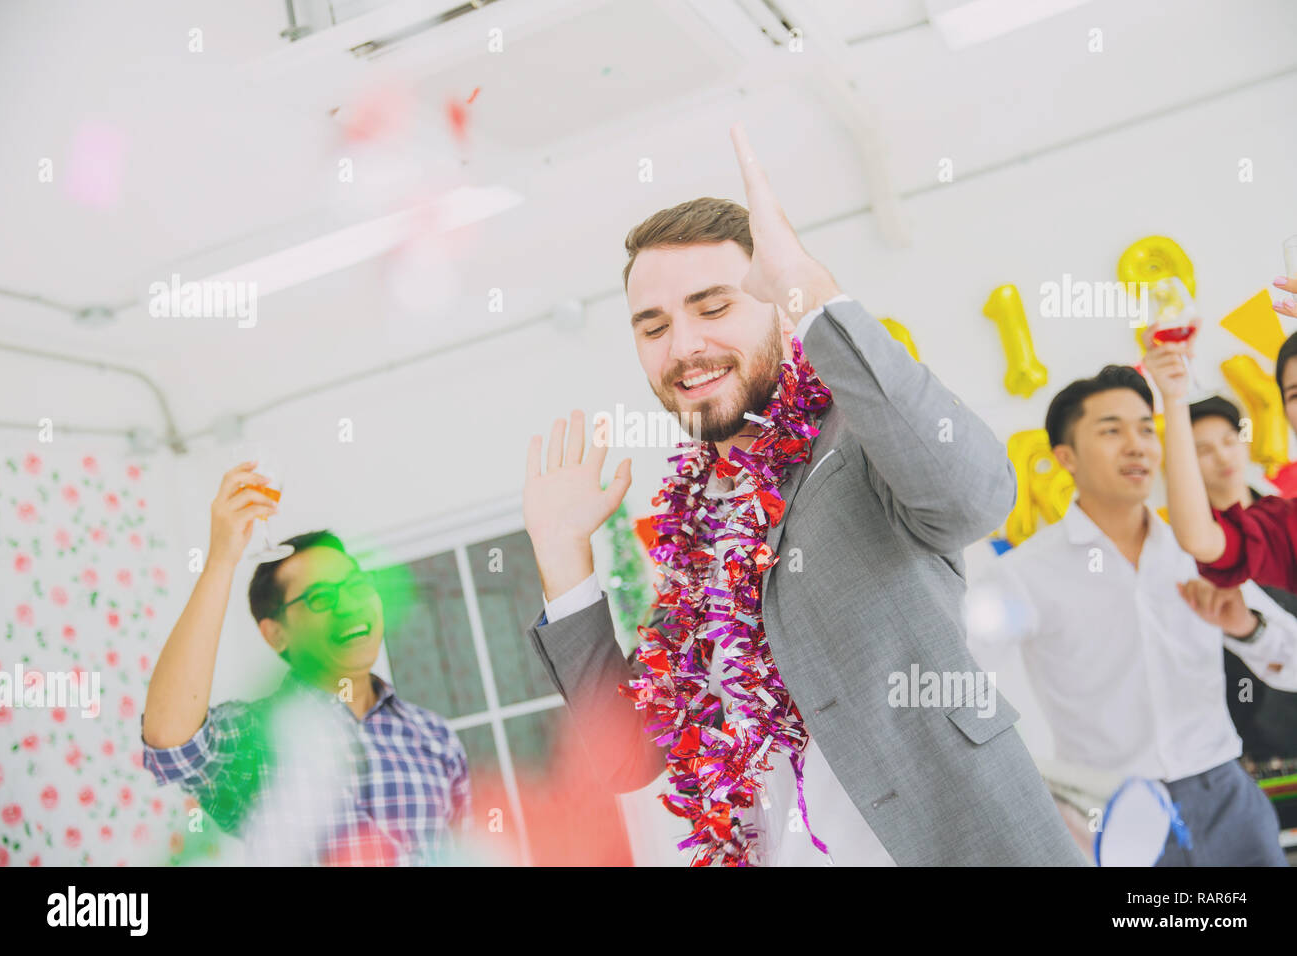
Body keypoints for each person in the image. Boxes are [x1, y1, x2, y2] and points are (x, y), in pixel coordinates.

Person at [520, 123, 1084, 866]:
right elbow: (632, 756)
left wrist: (815, 293)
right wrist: (565, 563)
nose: (683, 345)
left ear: (777, 308)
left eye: (713, 306)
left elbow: (975, 497)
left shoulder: (862, 437)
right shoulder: (692, 532)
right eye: (653, 326)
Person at [967, 366, 1296, 866]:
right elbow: (963, 685)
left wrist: (1245, 628)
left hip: (1228, 796)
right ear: (1065, 457)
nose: (1137, 445)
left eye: (1146, 428)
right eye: (1111, 430)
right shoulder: (1025, 575)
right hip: (1113, 815)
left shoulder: (1198, 550)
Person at [140, 462, 471, 865]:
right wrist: (221, 560)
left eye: (354, 585)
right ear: (275, 633)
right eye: (319, 599)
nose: (348, 607)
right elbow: (170, 740)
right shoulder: (254, 737)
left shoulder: (434, 738)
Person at [1158, 277, 1297, 591]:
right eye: (1295, 394)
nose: (1222, 455)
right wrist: (1174, 397)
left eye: (1228, 440)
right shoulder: (1279, 526)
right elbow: (1199, 539)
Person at [1187, 395, 1297, 759]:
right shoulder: (1185, 553)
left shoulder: (1286, 519)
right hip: (1261, 740)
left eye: (1229, 440)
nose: (1222, 456)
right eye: (1203, 449)